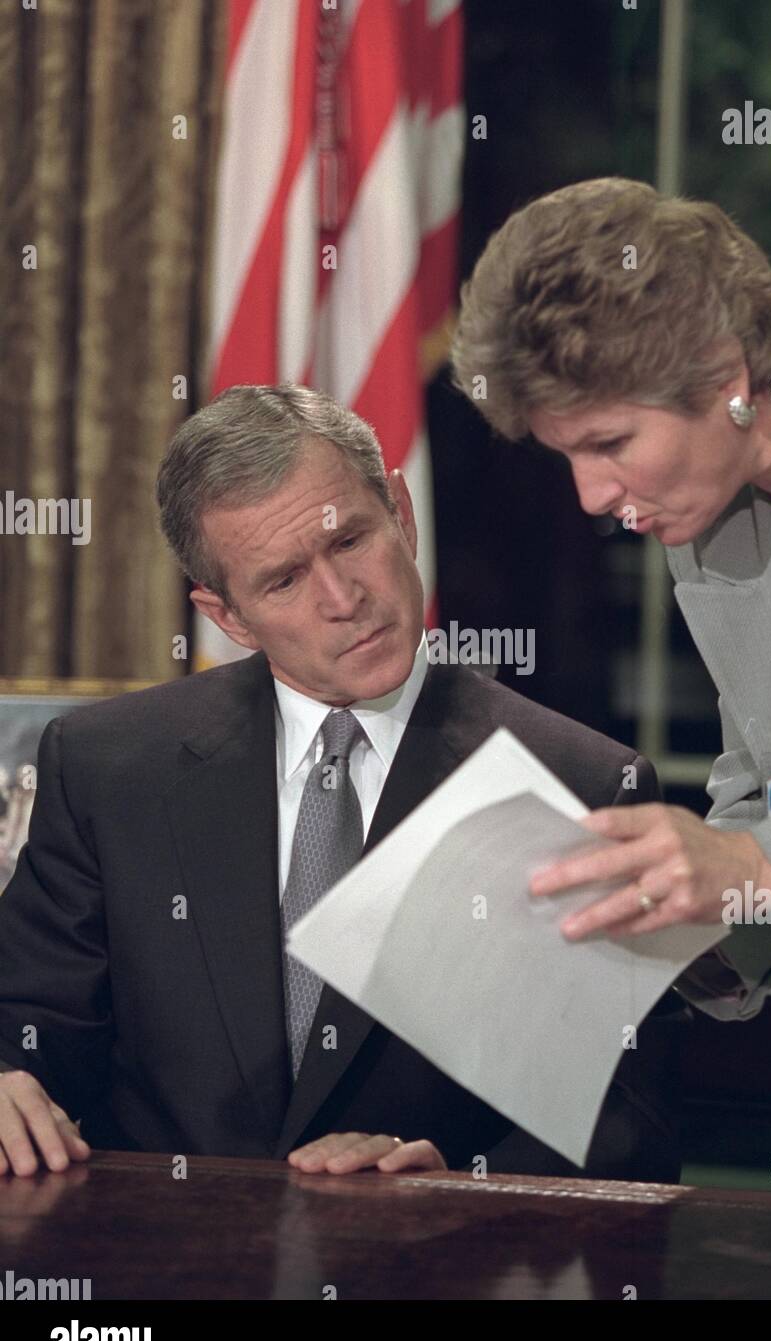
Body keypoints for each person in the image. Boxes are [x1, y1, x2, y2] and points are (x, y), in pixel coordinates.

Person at [0, 383, 685, 1183]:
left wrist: (460, 1179)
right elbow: (35, 1025)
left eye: (351, 540)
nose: (343, 599)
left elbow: (628, 1122)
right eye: (284, 581)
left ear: (401, 509)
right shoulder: (105, 767)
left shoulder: (581, 786)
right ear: (227, 617)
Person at [450, 175, 771, 1202]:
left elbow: (767, 845)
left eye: (607, 444)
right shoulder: (717, 503)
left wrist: (746, 860)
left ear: (727, 375)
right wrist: (652, 931)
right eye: (568, 454)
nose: (593, 496)